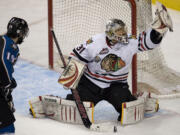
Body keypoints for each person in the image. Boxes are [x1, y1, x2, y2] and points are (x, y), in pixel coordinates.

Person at [64, 2, 173, 122]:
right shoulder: (95, 42)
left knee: (128, 112)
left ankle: (139, 99)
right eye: (119, 33)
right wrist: (69, 78)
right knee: (75, 110)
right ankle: (64, 101)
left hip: (116, 86)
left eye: (123, 31)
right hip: (91, 84)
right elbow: (76, 57)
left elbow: (147, 42)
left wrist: (157, 31)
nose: (123, 35)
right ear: (111, 35)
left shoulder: (129, 42)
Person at [0, 17, 29, 134]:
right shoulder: (8, 44)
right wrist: (7, 83)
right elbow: (1, 61)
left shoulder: (4, 41)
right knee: (7, 127)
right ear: (20, 33)